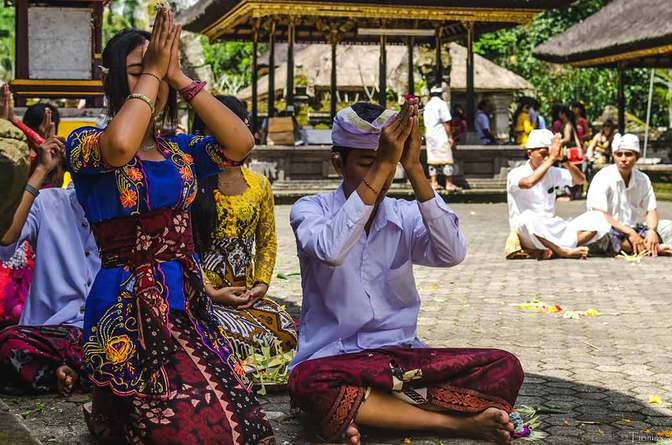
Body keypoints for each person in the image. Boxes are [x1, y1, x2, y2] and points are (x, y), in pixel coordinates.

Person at [64, 9, 273, 444]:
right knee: (185, 434)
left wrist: (177, 75)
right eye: (139, 71)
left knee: (248, 428)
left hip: (187, 304)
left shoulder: (179, 149)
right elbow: (121, 146)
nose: (152, 81)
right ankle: (109, 406)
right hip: (126, 311)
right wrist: (155, 71)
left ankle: (107, 410)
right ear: (115, 82)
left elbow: (240, 143)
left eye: (157, 69)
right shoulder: (86, 143)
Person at [289, 100, 524, 445]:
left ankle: (364, 412)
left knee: (505, 366)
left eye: (389, 164)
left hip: (401, 359)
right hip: (334, 358)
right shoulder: (310, 209)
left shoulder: (405, 213)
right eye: (369, 164)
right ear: (337, 164)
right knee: (309, 381)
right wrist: (386, 163)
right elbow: (332, 250)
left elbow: (452, 252)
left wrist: (413, 168)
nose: (382, 175)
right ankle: (454, 424)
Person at [191, 95, 297, 362]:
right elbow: (183, 247)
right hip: (204, 296)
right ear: (202, 136)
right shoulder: (189, 183)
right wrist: (210, 291)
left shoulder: (259, 185)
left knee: (286, 332)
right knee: (224, 338)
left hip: (245, 294)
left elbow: (267, 242)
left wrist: (260, 286)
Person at [0, 135, 99, 396]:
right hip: (43, 336)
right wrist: (40, 171)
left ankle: (66, 371)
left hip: (98, 338)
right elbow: (5, 238)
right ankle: (75, 371)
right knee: (9, 343)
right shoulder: (47, 202)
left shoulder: (123, 212)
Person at [506, 129, 610, 259]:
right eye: (543, 154)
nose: (547, 158)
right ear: (530, 154)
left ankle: (555, 248)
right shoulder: (516, 173)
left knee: (598, 218)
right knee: (526, 218)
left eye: (549, 154)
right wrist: (551, 158)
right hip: (528, 231)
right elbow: (529, 183)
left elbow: (580, 180)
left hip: (552, 227)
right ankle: (563, 251)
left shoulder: (553, 171)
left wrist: (565, 160)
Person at [586, 133, 672, 256]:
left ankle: (648, 246)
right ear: (614, 156)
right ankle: (653, 248)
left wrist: (652, 230)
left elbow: (650, 210)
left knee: (667, 227)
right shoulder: (603, 177)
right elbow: (600, 214)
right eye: (619, 154)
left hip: (634, 228)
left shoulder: (643, 179)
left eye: (628, 154)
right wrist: (630, 233)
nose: (623, 159)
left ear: (636, 157)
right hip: (608, 229)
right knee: (607, 239)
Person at [423, 86, 459, 191]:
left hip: (430, 135)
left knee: (432, 159)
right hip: (440, 135)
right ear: (441, 94)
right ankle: (449, 183)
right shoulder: (442, 104)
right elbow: (446, 122)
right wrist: (450, 137)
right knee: (446, 159)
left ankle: (434, 183)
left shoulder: (428, 105)